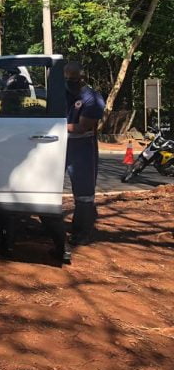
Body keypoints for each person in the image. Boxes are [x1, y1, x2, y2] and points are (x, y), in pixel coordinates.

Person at [64, 61, 106, 245]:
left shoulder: (92, 98)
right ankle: (54, 228)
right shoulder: (60, 93)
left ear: (82, 77)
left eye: (72, 79)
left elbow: (82, 126)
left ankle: (81, 233)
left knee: (83, 194)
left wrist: (51, 127)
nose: (68, 82)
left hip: (82, 149)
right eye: (65, 78)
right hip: (58, 147)